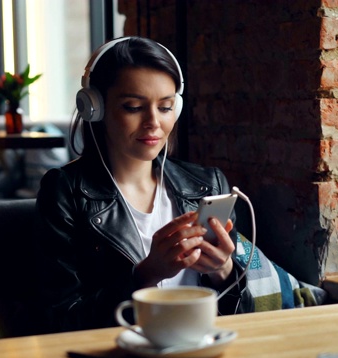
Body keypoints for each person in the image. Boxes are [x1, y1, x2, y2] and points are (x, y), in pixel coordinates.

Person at [33, 36, 320, 334]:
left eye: (166, 107)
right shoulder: (65, 192)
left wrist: (222, 272)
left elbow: (240, 316)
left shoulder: (207, 185)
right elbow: (60, 319)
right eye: (133, 107)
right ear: (95, 108)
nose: (153, 122)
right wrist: (145, 274)